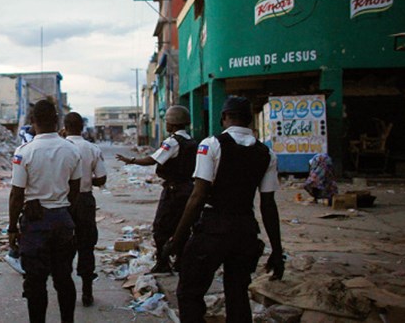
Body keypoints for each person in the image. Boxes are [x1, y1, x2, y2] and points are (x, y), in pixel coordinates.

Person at [171, 96, 284, 323]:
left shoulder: (211, 145)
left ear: (224, 117)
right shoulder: (266, 154)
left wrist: (177, 239)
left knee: (189, 292)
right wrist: (277, 250)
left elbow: (198, 196)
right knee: (237, 294)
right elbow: (268, 205)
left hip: (214, 228)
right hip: (245, 230)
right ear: (250, 120)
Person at [8, 99, 82, 323]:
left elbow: (16, 194)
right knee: (64, 279)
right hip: (62, 220)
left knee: (35, 282)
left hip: (35, 222)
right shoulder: (71, 150)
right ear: (57, 120)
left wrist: (12, 229)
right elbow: (75, 190)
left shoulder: (24, 152)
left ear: (32, 122)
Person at [116, 105, 197, 274]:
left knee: (161, 227)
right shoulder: (192, 141)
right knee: (182, 226)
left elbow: (153, 159)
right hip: (188, 188)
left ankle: (163, 262)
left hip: (174, 190)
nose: (165, 124)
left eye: (167, 121)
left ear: (172, 123)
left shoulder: (172, 142)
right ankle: (181, 261)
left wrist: (131, 160)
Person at [63, 112, 107, 307]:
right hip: (85, 200)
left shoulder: (60, 147)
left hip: (63, 201)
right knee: (86, 245)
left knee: (63, 246)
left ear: (65, 127)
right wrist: (87, 178)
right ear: (82, 127)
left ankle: (65, 288)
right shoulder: (92, 148)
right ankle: (87, 291)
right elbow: (102, 178)